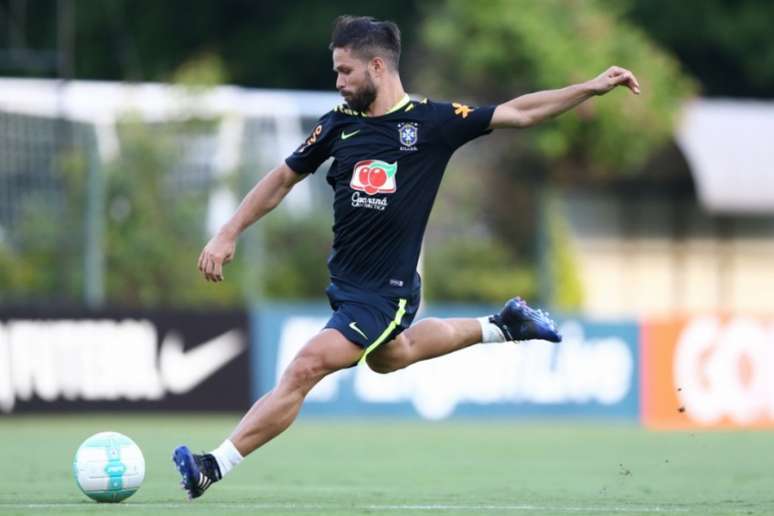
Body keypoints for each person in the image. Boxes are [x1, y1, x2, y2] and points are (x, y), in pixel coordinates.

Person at [173, 15, 640, 499]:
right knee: (391, 358)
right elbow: (281, 179)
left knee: (306, 366)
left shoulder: (434, 122)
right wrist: (228, 232)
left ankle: (214, 464)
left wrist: (590, 87)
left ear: (377, 66)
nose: (338, 82)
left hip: (386, 291)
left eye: (345, 71)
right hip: (348, 286)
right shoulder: (336, 126)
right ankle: (503, 325)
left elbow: (519, 112)